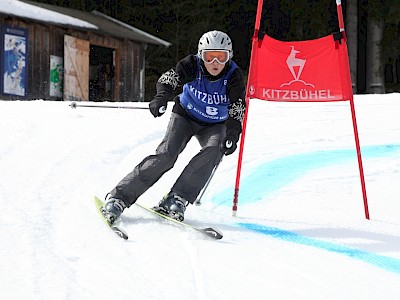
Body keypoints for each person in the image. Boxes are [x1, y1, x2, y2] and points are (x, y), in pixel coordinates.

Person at [102, 30, 246, 224]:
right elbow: (169, 79)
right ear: (200, 55)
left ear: (229, 57)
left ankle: (177, 198)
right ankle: (118, 197)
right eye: (209, 56)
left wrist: (233, 133)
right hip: (185, 115)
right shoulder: (192, 65)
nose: (215, 63)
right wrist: (161, 97)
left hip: (215, 124)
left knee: (215, 150)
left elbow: (237, 106)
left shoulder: (233, 75)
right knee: (166, 156)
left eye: (221, 57)